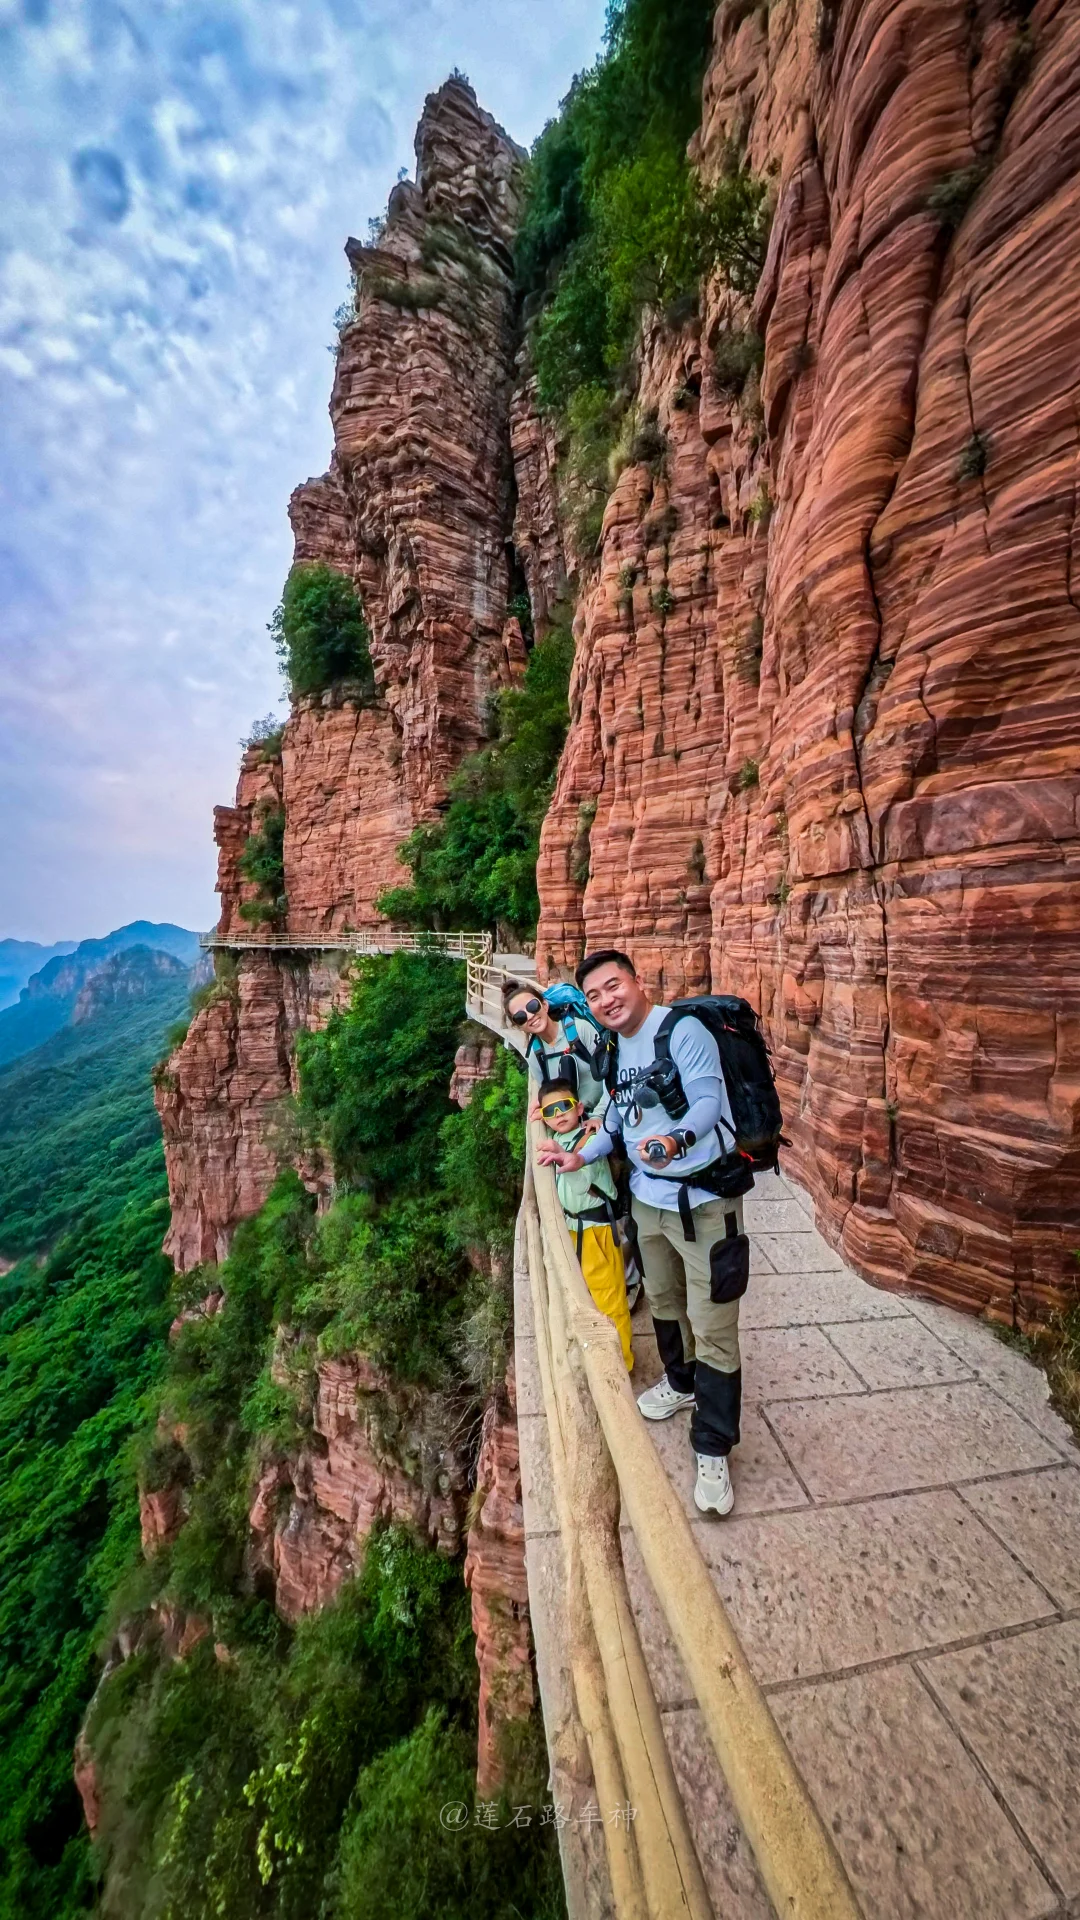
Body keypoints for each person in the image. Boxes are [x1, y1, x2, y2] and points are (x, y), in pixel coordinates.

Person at [536, 949, 748, 1518]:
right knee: (664, 1301)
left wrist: (676, 1140)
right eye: (596, 995)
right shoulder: (612, 1049)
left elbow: (705, 1099)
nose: (607, 1000)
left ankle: (713, 1444)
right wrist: (580, 1157)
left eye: (614, 986)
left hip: (705, 1202)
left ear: (637, 980)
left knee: (715, 1323)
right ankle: (680, 1382)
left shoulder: (683, 1029)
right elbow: (614, 1120)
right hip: (649, 1204)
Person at [537, 1073, 633, 1372]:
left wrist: (560, 1153)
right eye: (548, 1112)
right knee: (584, 1296)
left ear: (579, 1108)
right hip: (571, 1228)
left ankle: (622, 1364)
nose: (557, 1115)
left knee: (610, 1299)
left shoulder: (592, 1138)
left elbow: (582, 1165)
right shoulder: (555, 1137)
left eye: (563, 1106)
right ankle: (597, 1354)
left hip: (596, 1231)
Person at [502, 979, 608, 1117]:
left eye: (532, 1006)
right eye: (520, 1017)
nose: (530, 1016)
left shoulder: (580, 1030)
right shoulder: (535, 1054)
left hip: (606, 1113)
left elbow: (610, 1075)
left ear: (544, 1005)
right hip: (575, 1122)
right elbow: (550, 1094)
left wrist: (599, 1116)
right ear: (518, 1026)